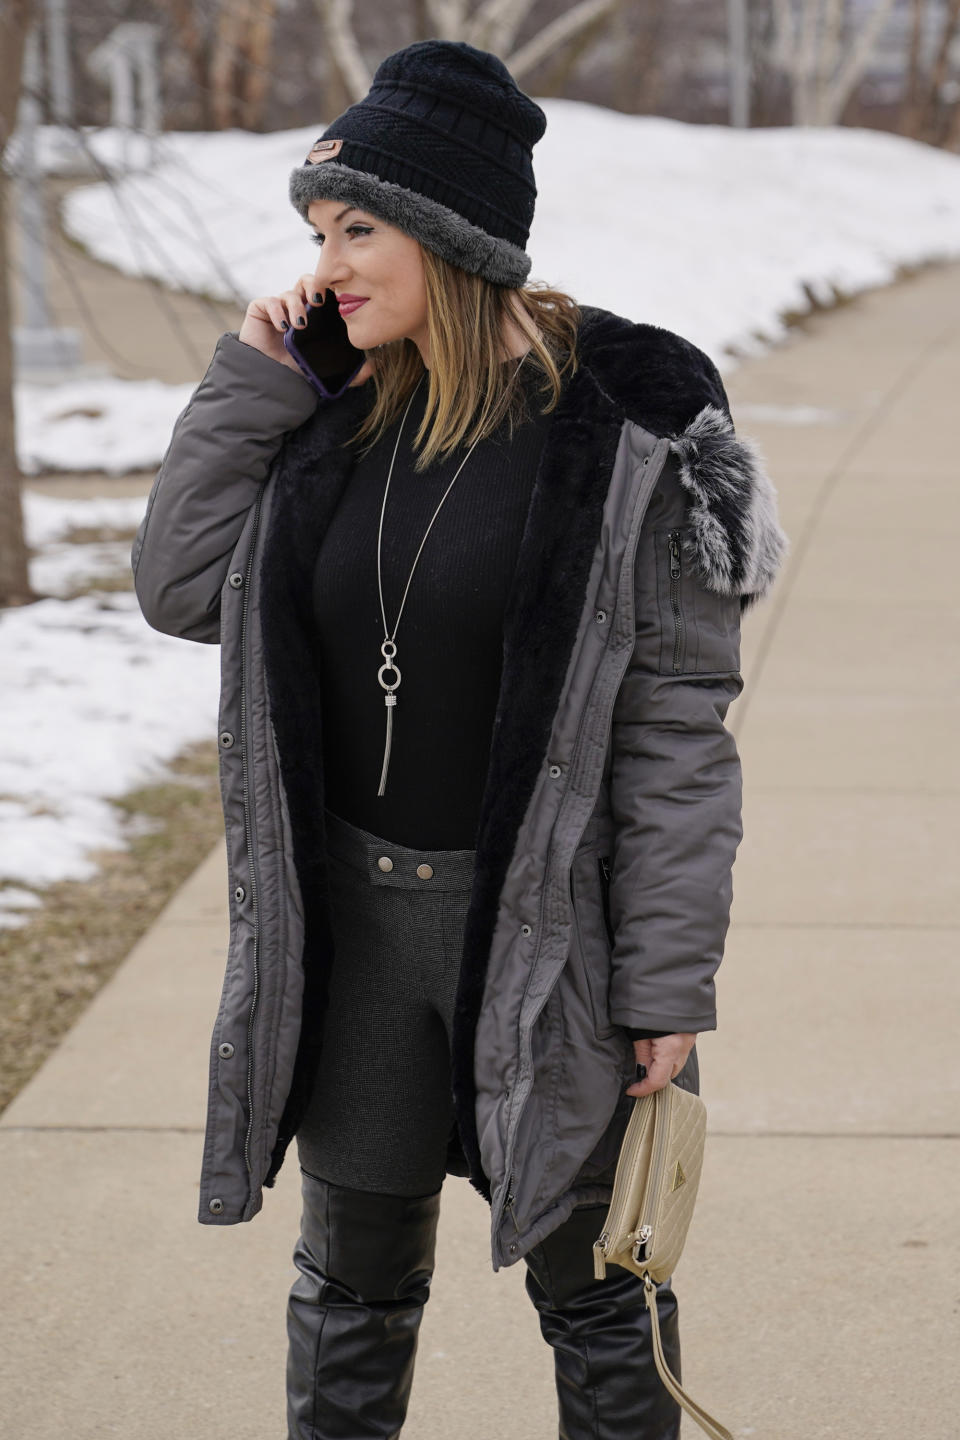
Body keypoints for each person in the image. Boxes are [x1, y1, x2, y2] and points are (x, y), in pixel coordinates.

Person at [132, 38, 786, 1440]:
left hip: (545, 944)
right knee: (349, 1298)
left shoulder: (621, 436)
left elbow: (678, 732)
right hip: (360, 937)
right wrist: (251, 384)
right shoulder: (327, 419)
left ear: (448, 232)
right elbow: (184, 591)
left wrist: (665, 982)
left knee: (599, 1300)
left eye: (357, 229)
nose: (327, 264)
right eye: (317, 232)